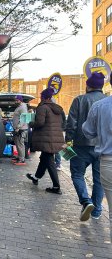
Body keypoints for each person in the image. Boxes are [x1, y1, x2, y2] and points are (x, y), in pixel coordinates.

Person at [66, 72, 107, 221]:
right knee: (99, 179)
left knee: (77, 174)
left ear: (88, 85)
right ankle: (96, 211)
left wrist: (68, 140)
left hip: (81, 145)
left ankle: (85, 201)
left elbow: (71, 123)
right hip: (103, 147)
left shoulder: (79, 100)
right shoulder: (107, 101)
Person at [82, 74, 112, 239]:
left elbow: (88, 131)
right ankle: (96, 209)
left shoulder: (100, 106)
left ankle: (91, 205)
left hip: (108, 160)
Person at [26, 87, 65, 194]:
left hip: (46, 139)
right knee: (44, 158)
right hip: (55, 138)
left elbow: (40, 123)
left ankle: (56, 187)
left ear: (44, 97)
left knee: (49, 161)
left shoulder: (43, 108)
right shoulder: (58, 109)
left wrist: (31, 123)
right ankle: (36, 177)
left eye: (41, 97)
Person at [11, 95, 28, 165]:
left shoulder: (23, 107)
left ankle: (22, 159)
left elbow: (23, 119)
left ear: (20, 100)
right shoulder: (19, 107)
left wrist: (18, 127)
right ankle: (19, 157)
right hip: (17, 129)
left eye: (17, 100)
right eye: (15, 100)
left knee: (20, 144)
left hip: (21, 129)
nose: (15, 101)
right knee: (17, 143)